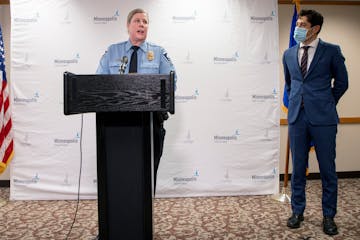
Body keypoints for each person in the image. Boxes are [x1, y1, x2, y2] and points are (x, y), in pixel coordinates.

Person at [282, 9, 348, 236]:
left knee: (328, 170)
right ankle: (297, 211)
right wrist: (298, 104)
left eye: (302, 24)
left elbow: (342, 82)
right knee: (298, 169)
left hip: (324, 120)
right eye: (297, 23)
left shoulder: (331, 51)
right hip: (297, 119)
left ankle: (329, 216)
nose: (297, 28)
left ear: (315, 28)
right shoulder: (289, 54)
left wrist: (326, 102)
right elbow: (290, 85)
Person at [96, 8, 176, 192]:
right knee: (119, 170)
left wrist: (159, 102)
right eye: (137, 21)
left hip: (149, 120)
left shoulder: (158, 53)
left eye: (145, 22)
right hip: (116, 123)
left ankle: (145, 214)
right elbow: (99, 81)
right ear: (128, 25)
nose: (142, 24)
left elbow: (172, 81)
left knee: (147, 170)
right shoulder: (112, 52)